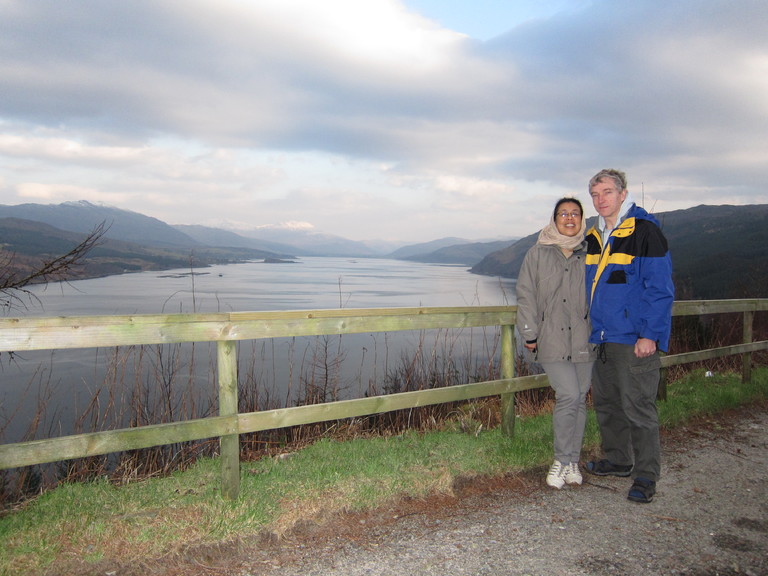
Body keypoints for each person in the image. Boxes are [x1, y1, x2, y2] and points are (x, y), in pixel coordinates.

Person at [584, 169, 674, 504]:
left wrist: (650, 334)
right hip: (603, 337)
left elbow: (660, 290)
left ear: (623, 194)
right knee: (608, 404)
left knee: (638, 407)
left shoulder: (644, 231)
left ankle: (646, 476)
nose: (600, 200)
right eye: (595, 194)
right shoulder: (596, 235)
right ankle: (619, 460)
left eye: (607, 192)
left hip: (634, 337)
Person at [516, 197, 595, 489]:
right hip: (551, 338)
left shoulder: (592, 251)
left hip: (586, 338)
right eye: (564, 213)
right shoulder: (537, 253)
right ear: (554, 218)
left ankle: (573, 461)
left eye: (575, 213)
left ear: (582, 218)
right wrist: (529, 332)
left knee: (580, 397)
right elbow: (526, 294)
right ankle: (561, 460)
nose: (570, 218)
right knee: (569, 395)